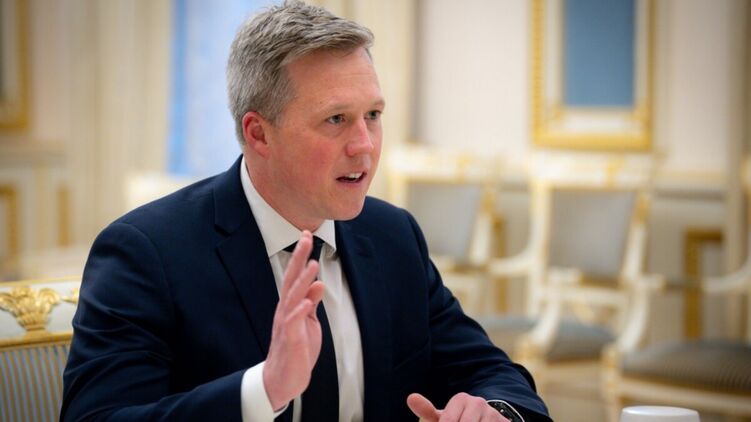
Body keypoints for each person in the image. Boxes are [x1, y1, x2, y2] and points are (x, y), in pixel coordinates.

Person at [61, 1, 551, 421]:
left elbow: (491, 372)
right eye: (336, 119)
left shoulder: (392, 235)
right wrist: (263, 390)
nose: (364, 145)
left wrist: (492, 410)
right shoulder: (148, 253)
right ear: (258, 134)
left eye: (373, 115)